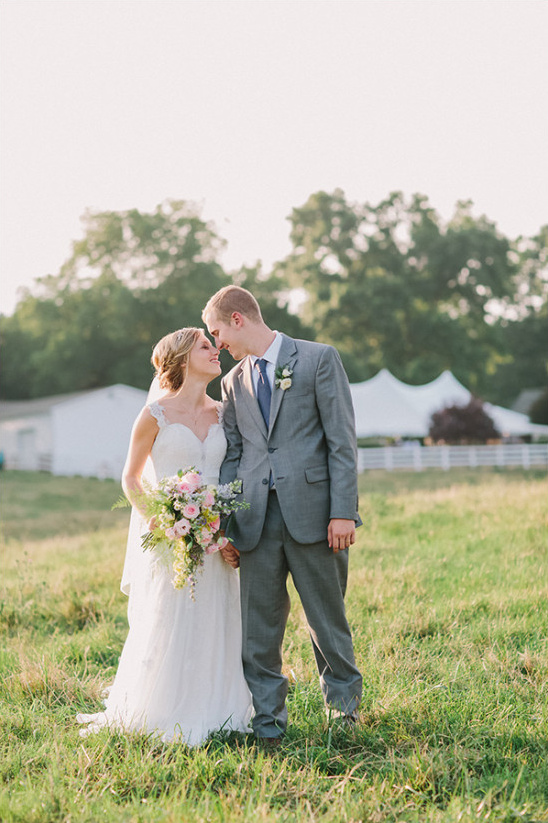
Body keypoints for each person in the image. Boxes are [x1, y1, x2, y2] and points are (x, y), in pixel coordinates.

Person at [77, 328, 252, 744]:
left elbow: (234, 475)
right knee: (169, 618)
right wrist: (162, 519)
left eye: (215, 345)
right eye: (206, 347)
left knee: (217, 619)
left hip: (219, 541)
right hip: (172, 536)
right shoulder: (154, 414)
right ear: (181, 358)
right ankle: (159, 708)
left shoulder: (224, 411)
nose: (217, 351)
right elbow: (131, 478)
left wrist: (226, 533)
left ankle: (219, 710)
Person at [202, 286, 363, 743]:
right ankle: (268, 722)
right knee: (258, 629)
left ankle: (344, 714)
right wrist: (227, 524)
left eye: (217, 333)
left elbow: (341, 442)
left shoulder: (317, 359)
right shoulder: (232, 382)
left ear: (238, 320)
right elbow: (233, 455)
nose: (218, 345)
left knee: (326, 621)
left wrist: (343, 511)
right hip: (254, 523)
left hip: (316, 516)